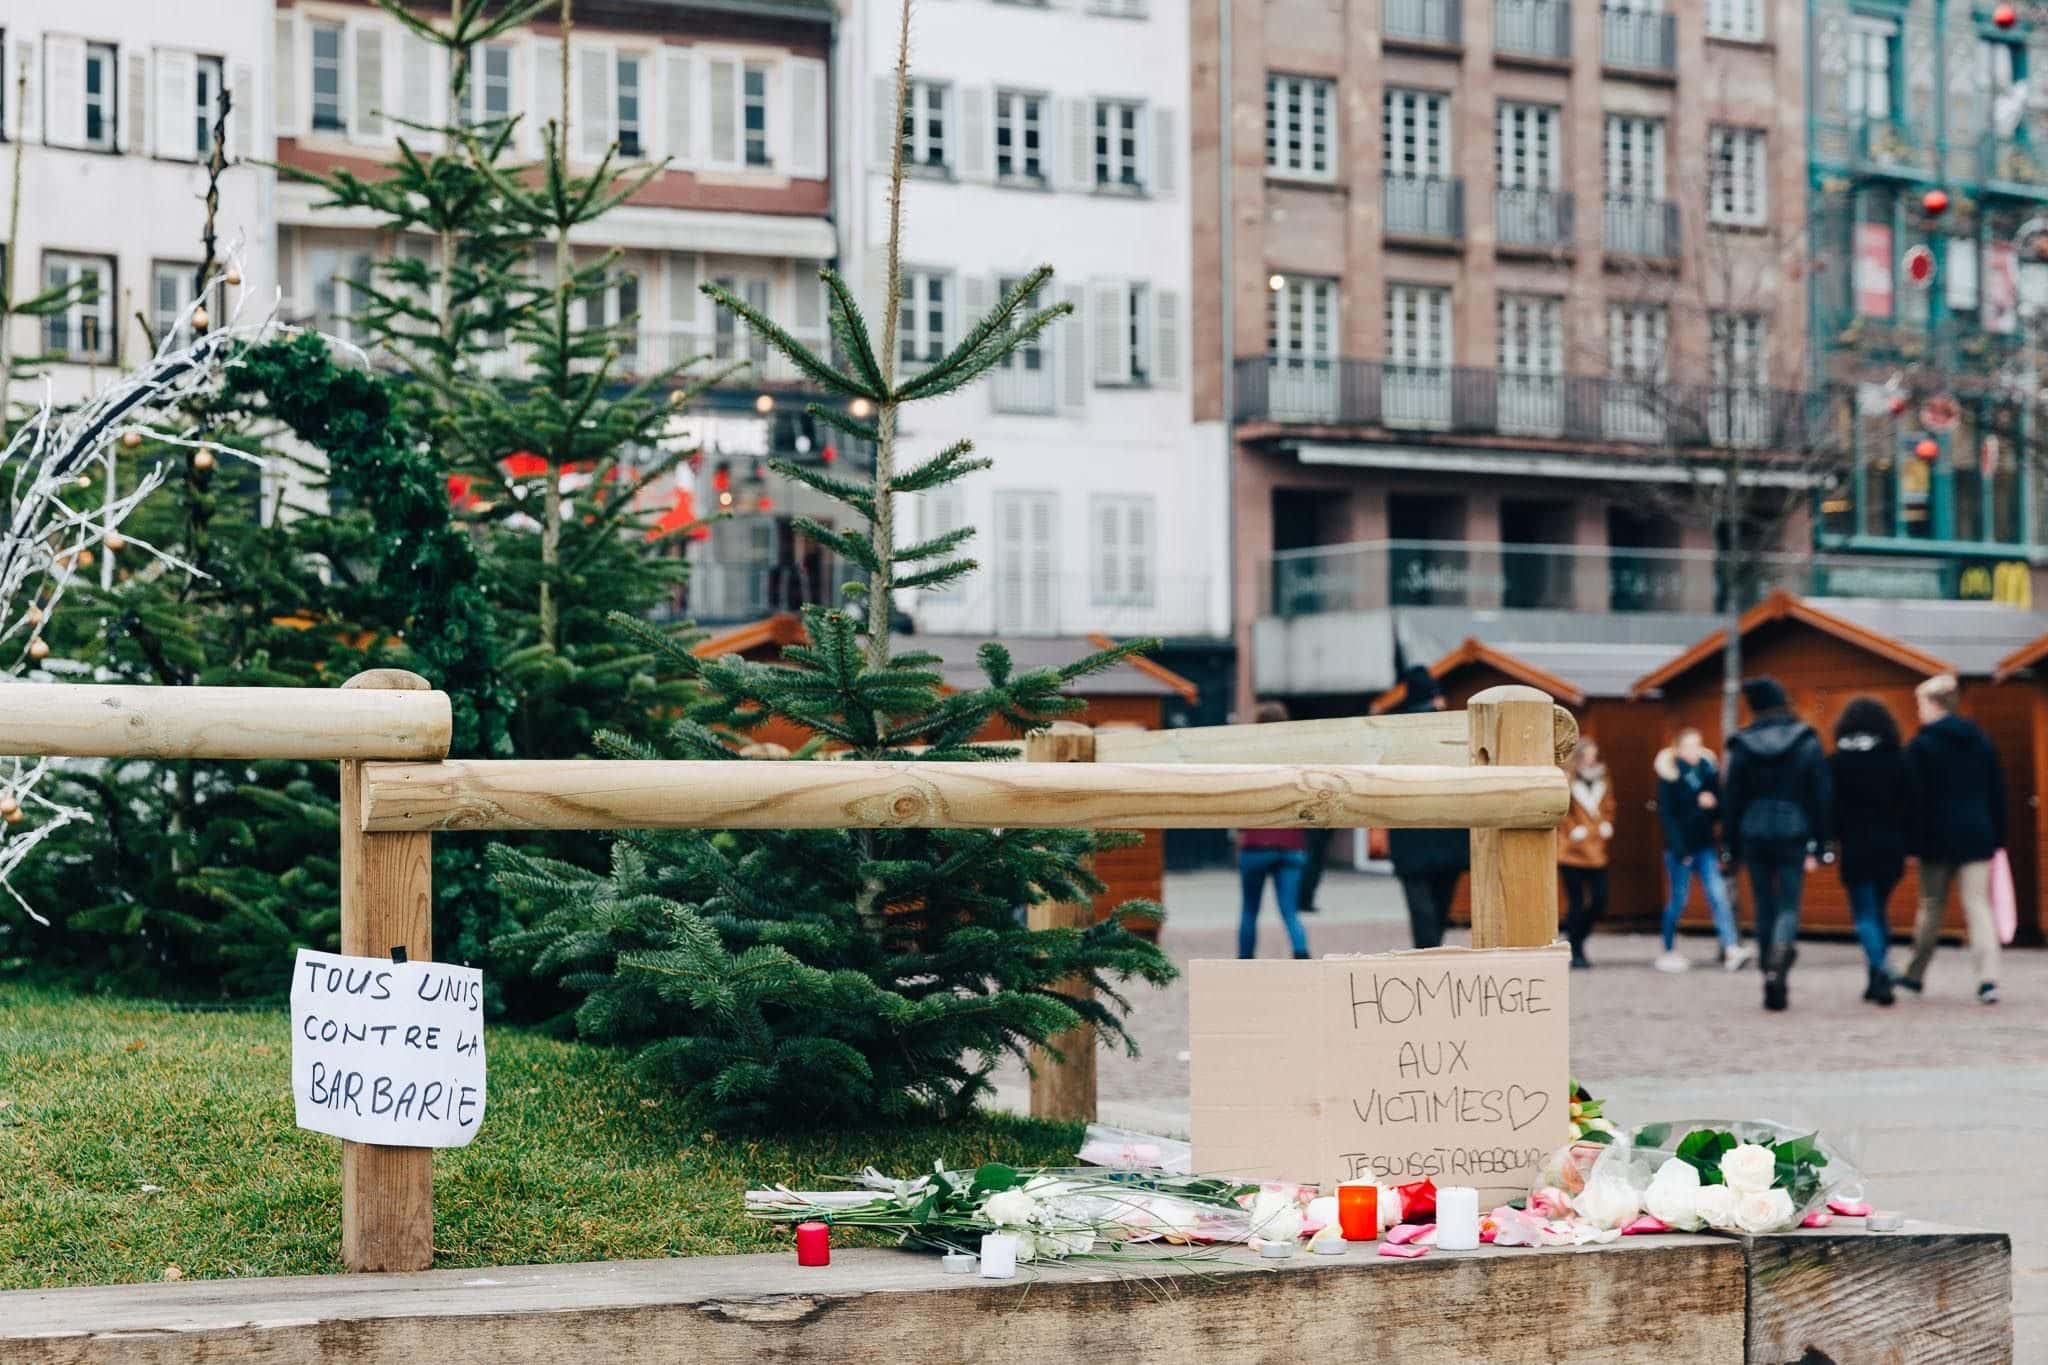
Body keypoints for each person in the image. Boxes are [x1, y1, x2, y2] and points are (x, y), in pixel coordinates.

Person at [1722, 677, 1831, 1012]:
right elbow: (1821, 795)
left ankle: (1769, 970)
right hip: (1793, 830)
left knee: (1763, 903)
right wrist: (1823, 841)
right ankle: (1781, 953)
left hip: (1753, 831)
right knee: (1788, 903)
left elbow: (1731, 799)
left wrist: (1729, 846)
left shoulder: (1742, 745)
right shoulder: (1806, 741)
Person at [1899, 675, 2005, 1004]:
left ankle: (1914, 975)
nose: (1919, 710)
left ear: (1933, 704)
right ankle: (1988, 979)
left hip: (1935, 839)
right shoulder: (1981, 740)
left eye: (1920, 703)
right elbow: (1996, 792)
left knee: (1931, 907)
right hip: (1977, 835)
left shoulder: (1921, 745)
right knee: (1979, 907)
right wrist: (1998, 837)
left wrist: (1911, 844)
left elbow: (1913, 800)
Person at [1830, 697, 1909, 1007]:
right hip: (1891, 847)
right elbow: (1909, 805)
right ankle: (1876, 974)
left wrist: (1829, 840)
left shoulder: (1836, 763)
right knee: (1879, 911)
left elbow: (1830, 810)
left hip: (1855, 847)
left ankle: (1879, 971)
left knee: (1865, 914)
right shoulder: (1897, 759)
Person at [1652, 728, 1751, 973]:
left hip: (1705, 846)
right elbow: (1668, 816)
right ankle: (1668, 948)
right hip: (1680, 849)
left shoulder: (1708, 772)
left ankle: (1731, 948)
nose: (1695, 750)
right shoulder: (1669, 776)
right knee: (1678, 899)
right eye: (1690, 746)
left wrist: (1713, 803)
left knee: (1718, 896)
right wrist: (1679, 848)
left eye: (1697, 745)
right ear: (1679, 748)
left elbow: (1721, 808)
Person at [1386, 665, 1469, 948]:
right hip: (1450, 832)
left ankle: (1427, 956)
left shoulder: (1395, 732)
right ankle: (1433, 954)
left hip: (1409, 835)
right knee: (1441, 903)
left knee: (1420, 908)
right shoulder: (1453, 731)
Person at [1237, 700, 1311, 960]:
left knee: (1249, 909)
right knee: (1290, 910)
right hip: (1291, 844)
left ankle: (1244, 960)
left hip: (1256, 844)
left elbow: (1240, 800)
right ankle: (1301, 952)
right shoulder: (1297, 760)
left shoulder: (1250, 760)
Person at [1557, 737, 1615, 969]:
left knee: (1600, 899)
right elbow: (1560, 810)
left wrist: (1607, 822)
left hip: (1596, 848)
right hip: (1571, 850)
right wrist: (1572, 829)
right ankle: (1576, 949)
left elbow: (1609, 805)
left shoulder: (1602, 776)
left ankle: (1576, 939)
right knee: (1577, 901)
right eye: (1588, 754)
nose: (1592, 758)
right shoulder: (1566, 779)